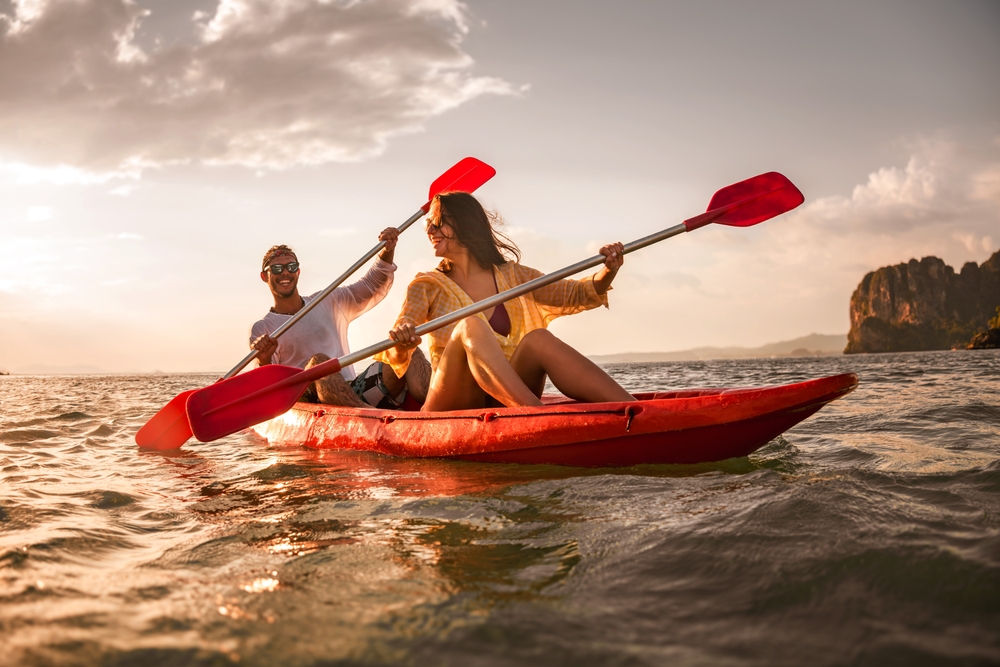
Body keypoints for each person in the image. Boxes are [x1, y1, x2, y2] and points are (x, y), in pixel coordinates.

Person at [379, 191, 636, 411]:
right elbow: (404, 328)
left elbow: (574, 294)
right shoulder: (427, 284)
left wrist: (609, 269)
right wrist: (403, 333)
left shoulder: (512, 275)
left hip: (505, 398)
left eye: (437, 223)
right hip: (453, 401)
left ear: (464, 225)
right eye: (429, 226)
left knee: (538, 338)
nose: (430, 231)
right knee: (470, 326)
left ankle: (637, 410)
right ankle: (537, 415)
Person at [250, 229, 430, 408]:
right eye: (276, 268)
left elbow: (372, 285)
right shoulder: (263, 328)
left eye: (291, 267)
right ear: (264, 276)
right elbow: (270, 386)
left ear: (298, 272)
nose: (285, 273)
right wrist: (264, 360)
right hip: (309, 402)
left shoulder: (326, 300)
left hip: (351, 392)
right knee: (319, 362)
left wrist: (387, 250)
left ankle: (437, 407)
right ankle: (368, 417)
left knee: (405, 348)